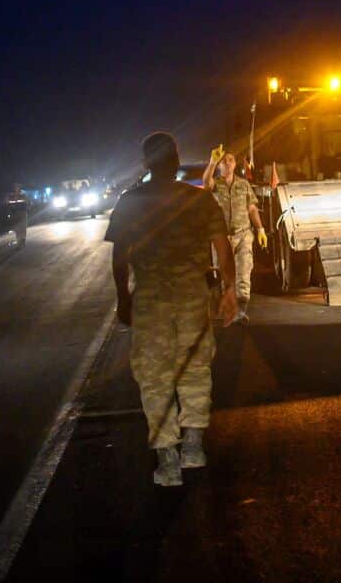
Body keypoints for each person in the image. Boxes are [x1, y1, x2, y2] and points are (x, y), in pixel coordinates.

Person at [106, 132, 237, 487]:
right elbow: (223, 248)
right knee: (195, 368)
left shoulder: (131, 201)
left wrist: (123, 297)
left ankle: (168, 460)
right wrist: (229, 291)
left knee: (154, 375)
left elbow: (120, 255)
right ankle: (193, 446)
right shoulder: (199, 199)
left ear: (146, 163)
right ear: (177, 161)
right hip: (193, 297)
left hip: (151, 301)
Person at [203, 146, 267, 323]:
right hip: (223, 238)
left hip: (243, 234)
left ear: (235, 163)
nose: (227, 163)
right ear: (220, 166)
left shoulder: (243, 184)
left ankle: (241, 310)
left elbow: (252, 208)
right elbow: (206, 182)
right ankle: (228, 308)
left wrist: (260, 228)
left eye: (230, 160)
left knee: (244, 271)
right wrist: (212, 162)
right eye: (224, 161)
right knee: (225, 274)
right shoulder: (216, 184)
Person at [5, 183, 28, 248]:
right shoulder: (11, 195)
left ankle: (23, 239)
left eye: (18, 187)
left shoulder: (23, 194)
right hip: (15, 214)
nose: (16, 188)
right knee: (17, 228)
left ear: (20, 188)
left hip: (23, 213)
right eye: (15, 187)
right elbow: (7, 202)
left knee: (23, 227)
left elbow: (26, 201)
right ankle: (19, 241)